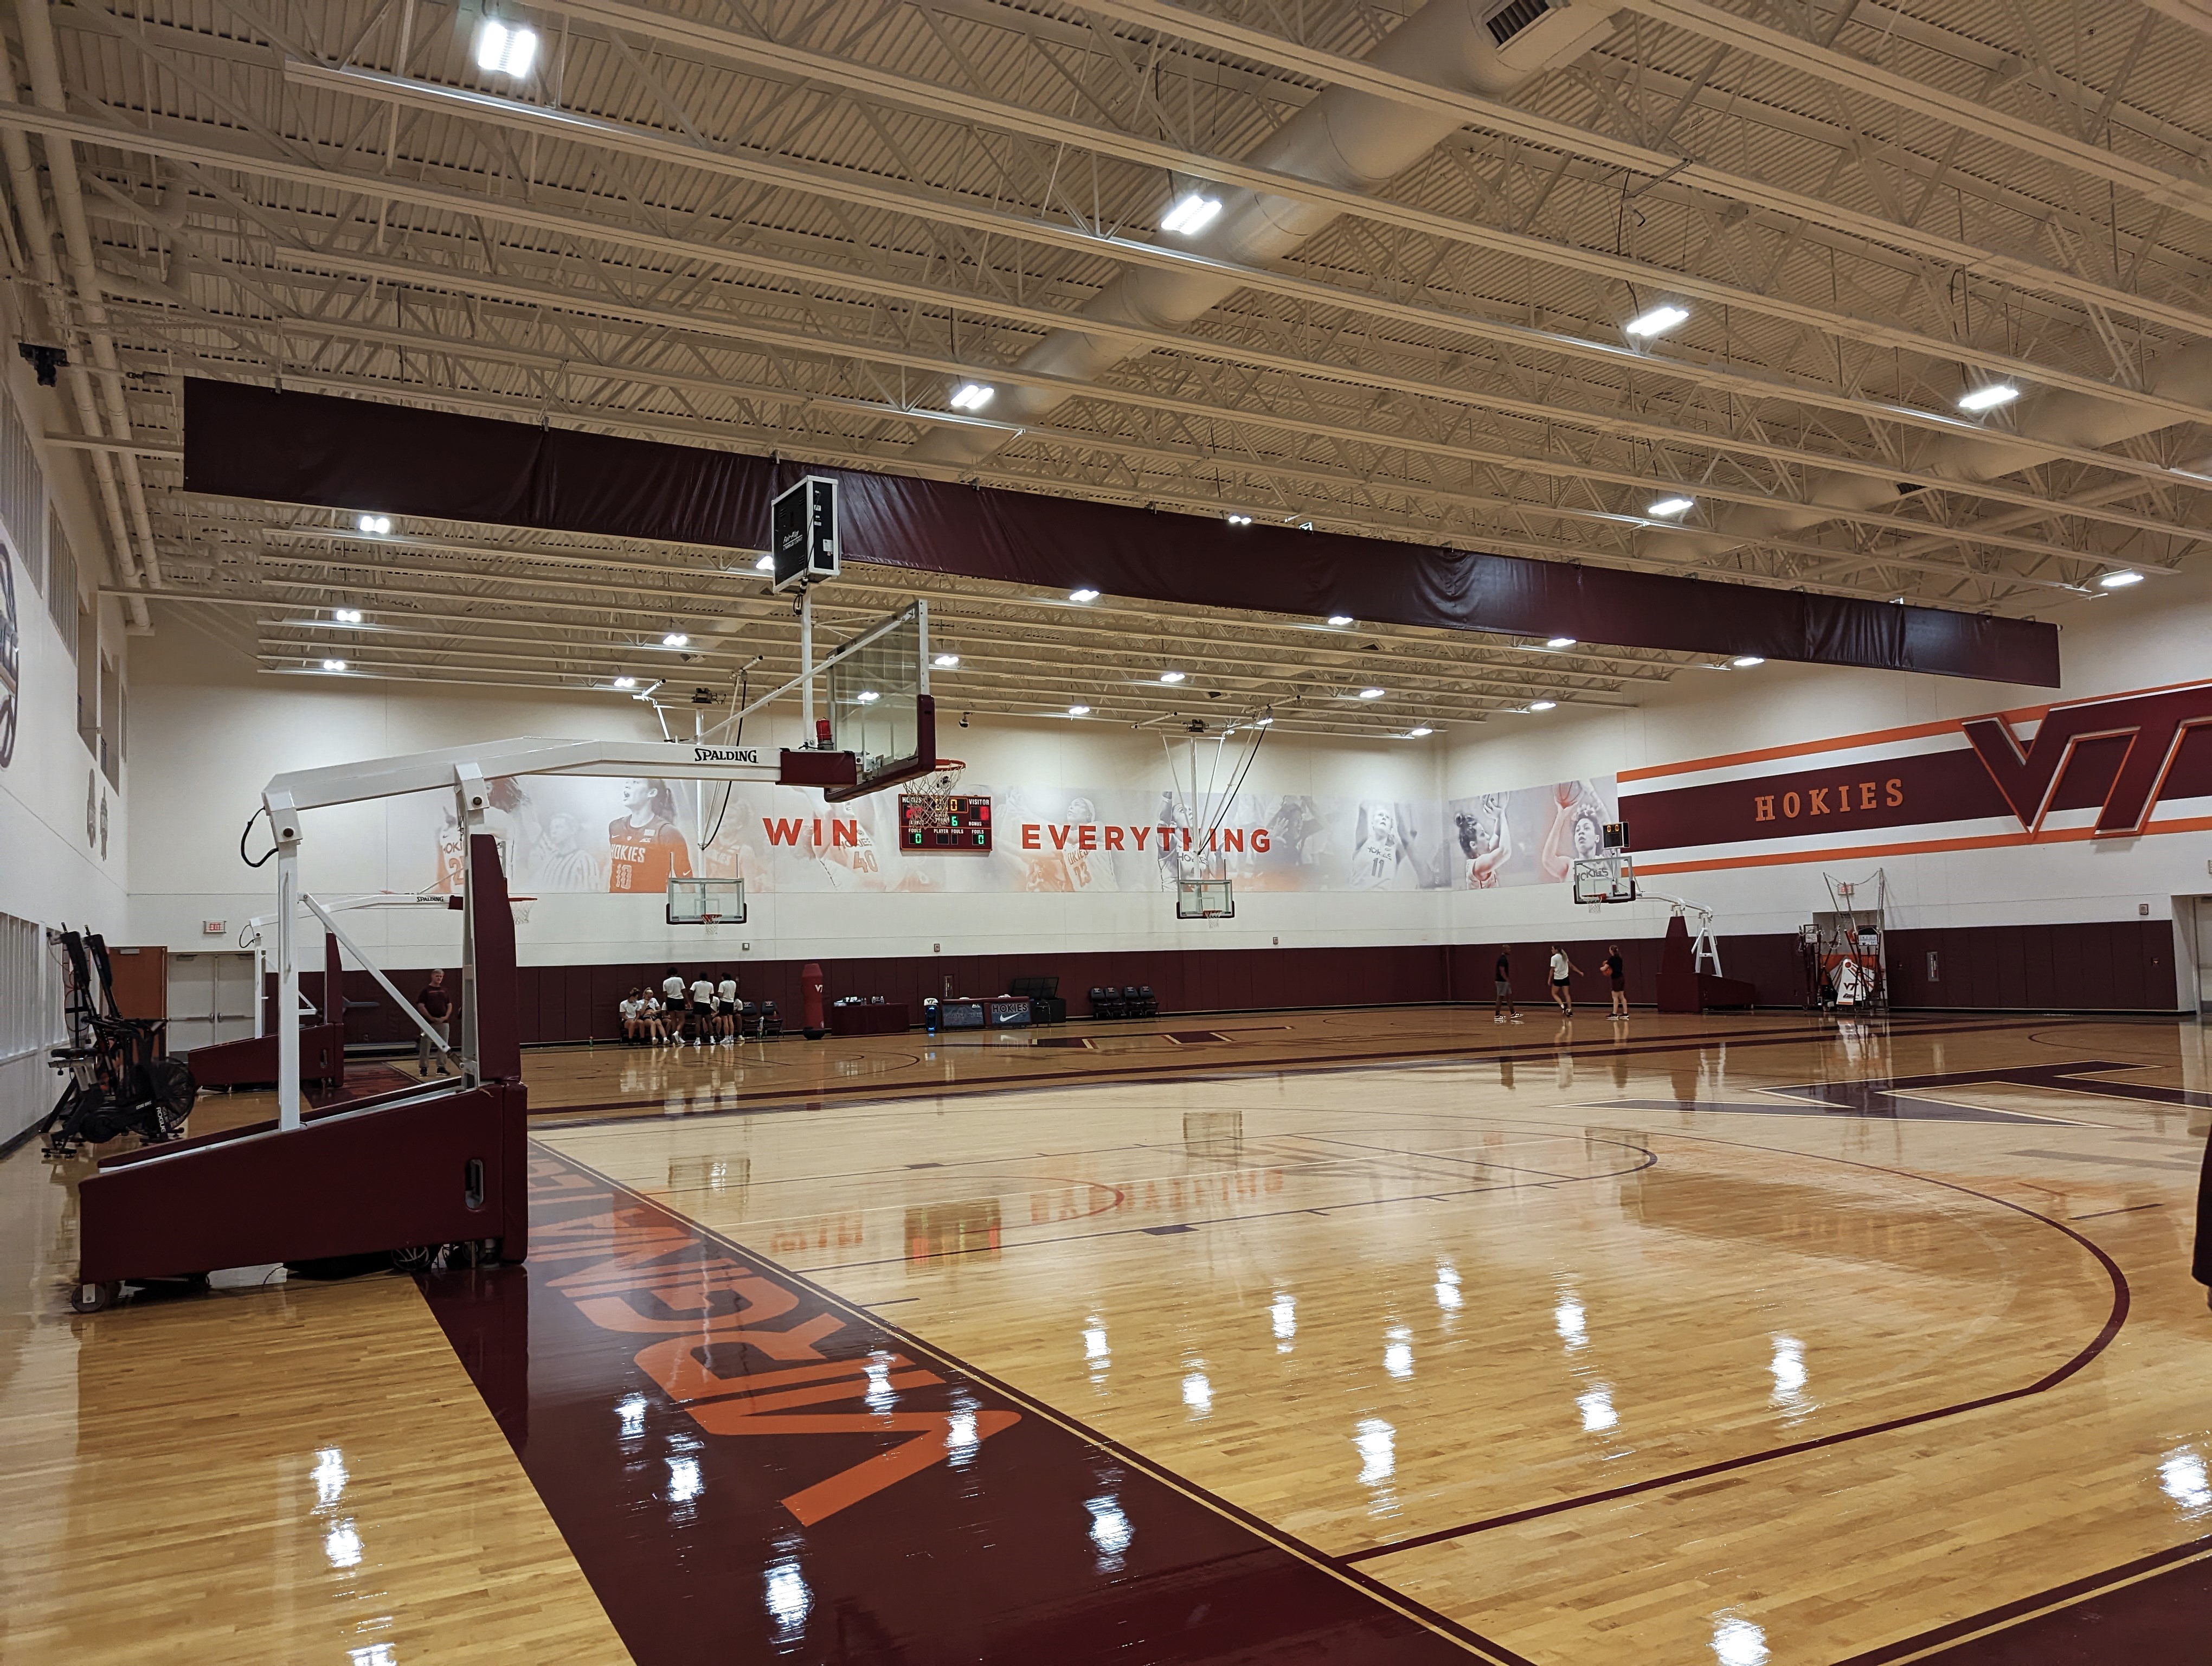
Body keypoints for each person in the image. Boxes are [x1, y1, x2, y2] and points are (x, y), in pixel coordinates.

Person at [414, 968, 453, 1076]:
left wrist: (445, 1017)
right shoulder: (426, 990)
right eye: (437, 976)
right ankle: (423, 1068)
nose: (439, 978)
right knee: (425, 1045)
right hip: (428, 1023)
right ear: (432, 976)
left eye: (441, 976)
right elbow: (421, 1006)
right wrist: (431, 1018)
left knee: (444, 1045)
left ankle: (441, 1067)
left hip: (443, 1023)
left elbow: (449, 1005)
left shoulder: (445, 991)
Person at [1549, 945, 1583, 1014]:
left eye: (1552, 949)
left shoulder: (1554, 958)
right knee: (1567, 994)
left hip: (1558, 979)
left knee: (1554, 993)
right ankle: (1570, 1010)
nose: (1552, 950)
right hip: (1565, 978)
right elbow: (1572, 966)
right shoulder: (1564, 957)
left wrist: (1549, 979)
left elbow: (1552, 969)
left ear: (1556, 950)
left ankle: (1563, 1006)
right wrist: (1580, 972)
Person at [1492, 946, 1522, 1024]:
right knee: (1500, 997)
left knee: (1509, 996)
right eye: (1508, 949)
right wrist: (1507, 980)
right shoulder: (1502, 959)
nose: (1510, 951)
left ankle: (1513, 1013)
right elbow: (1502, 971)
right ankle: (1497, 1015)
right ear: (1504, 950)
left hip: (1504, 981)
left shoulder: (1504, 959)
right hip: (1502, 981)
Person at [689, 973, 716, 1046]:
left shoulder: (696, 983)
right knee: (709, 1022)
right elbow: (712, 995)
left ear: (700, 977)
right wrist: (709, 1002)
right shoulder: (710, 984)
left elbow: (690, 992)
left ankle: (698, 1040)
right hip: (706, 1004)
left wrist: (692, 999)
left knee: (698, 1023)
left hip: (698, 1004)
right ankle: (712, 1039)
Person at [1604, 944, 1628, 1018]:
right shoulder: (1620, 958)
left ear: (1611, 950)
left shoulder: (1612, 959)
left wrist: (1602, 968)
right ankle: (1625, 1013)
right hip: (1622, 978)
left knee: (1615, 996)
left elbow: (1604, 968)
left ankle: (1614, 1014)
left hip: (1616, 979)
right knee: (1622, 996)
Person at [716, 973, 739, 1042]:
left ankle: (726, 1038)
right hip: (731, 1002)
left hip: (724, 1003)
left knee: (725, 1021)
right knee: (730, 1020)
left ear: (723, 977)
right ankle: (731, 1037)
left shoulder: (722, 984)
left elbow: (720, 994)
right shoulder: (734, 983)